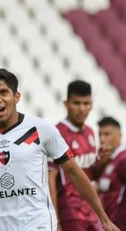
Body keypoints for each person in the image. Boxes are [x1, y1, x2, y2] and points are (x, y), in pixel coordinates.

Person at [0, 68, 119, 231]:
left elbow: (75, 173)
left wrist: (104, 218)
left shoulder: (41, 129)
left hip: (36, 223)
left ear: (16, 97)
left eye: (3, 92)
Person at [48, 80, 99, 231]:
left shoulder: (90, 132)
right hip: (70, 211)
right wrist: (55, 221)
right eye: (76, 103)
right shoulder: (57, 133)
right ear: (66, 103)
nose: (82, 109)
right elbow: (50, 179)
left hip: (91, 210)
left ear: (91, 104)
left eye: (86, 103)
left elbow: (91, 174)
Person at [94, 117, 126, 230]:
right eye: (100, 135)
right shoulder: (108, 160)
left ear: (119, 135)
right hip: (111, 224)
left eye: (107, 134)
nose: (102, 139)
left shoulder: (123, 160)